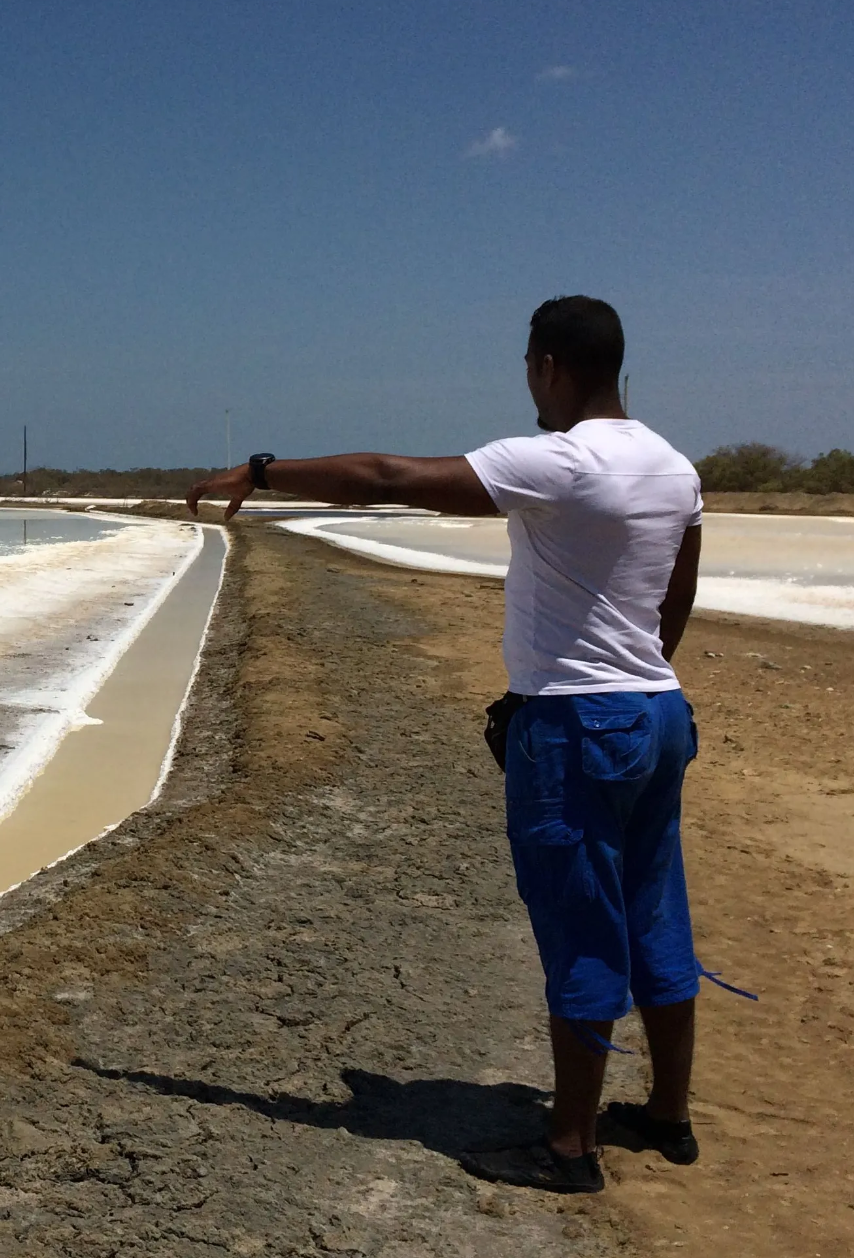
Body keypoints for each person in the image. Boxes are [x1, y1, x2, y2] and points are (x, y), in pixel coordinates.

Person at [186, 295, 711, 1195]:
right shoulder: (674, 466)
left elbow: (388, 475)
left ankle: (570, 1148)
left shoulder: (557, 461)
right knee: (653, 909)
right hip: (658, 711)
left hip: (578, 725)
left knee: (581, 926)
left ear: (546, 365)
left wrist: (265, 470)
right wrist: (630, 678)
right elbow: (676, 596)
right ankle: (666, 1115)